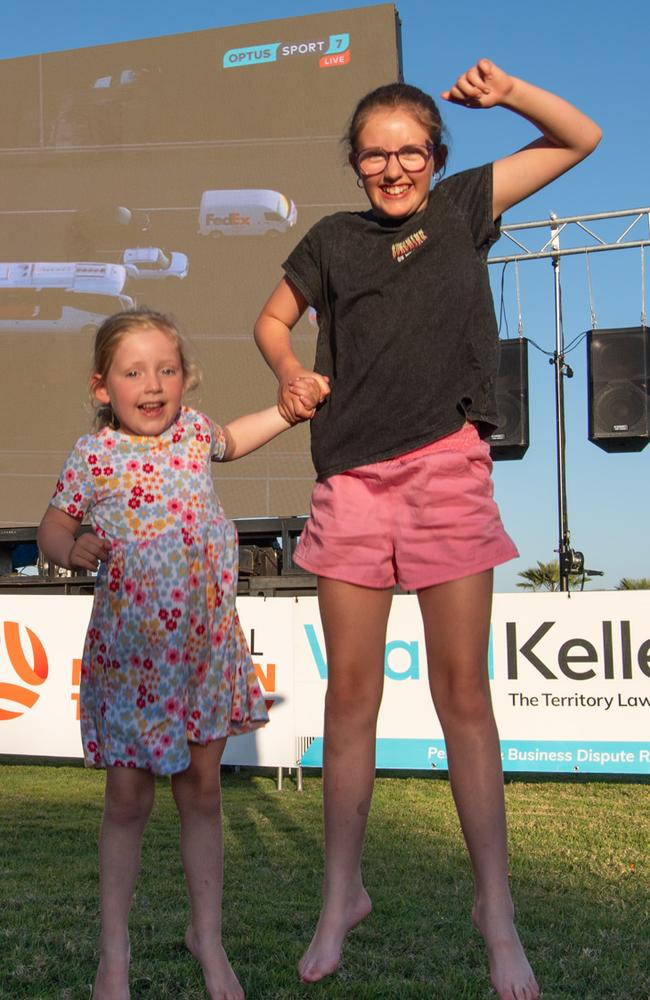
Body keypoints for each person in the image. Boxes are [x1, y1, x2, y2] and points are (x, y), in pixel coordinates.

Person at [254, 59, 601, 1000]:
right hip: (353, 484)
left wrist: (515, 95)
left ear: (437, 155)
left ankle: (497, 914)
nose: (394, 169)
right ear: (356, 164)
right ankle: (340, 897)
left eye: (410, 151)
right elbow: (271, 319)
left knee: (464, 698)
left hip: (447, 467)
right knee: (350, 701)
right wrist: (289, 365)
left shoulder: (460, 207)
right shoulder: (331, 239)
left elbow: (580, 139)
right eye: (375, 155)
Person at [37, 308, 324, 1000]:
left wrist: (288, 412)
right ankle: (115, 952)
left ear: (184, 379)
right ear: (103, 386)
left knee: (201, 794)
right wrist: (68, 549)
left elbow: (236, 437)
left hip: (203, 653)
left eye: (166, 369)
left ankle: (208, 937)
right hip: (133, 662)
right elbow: (53, 526)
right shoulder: (93, 456)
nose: (153, 384)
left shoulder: (195, 433)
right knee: (127, 800)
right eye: (134, 371)